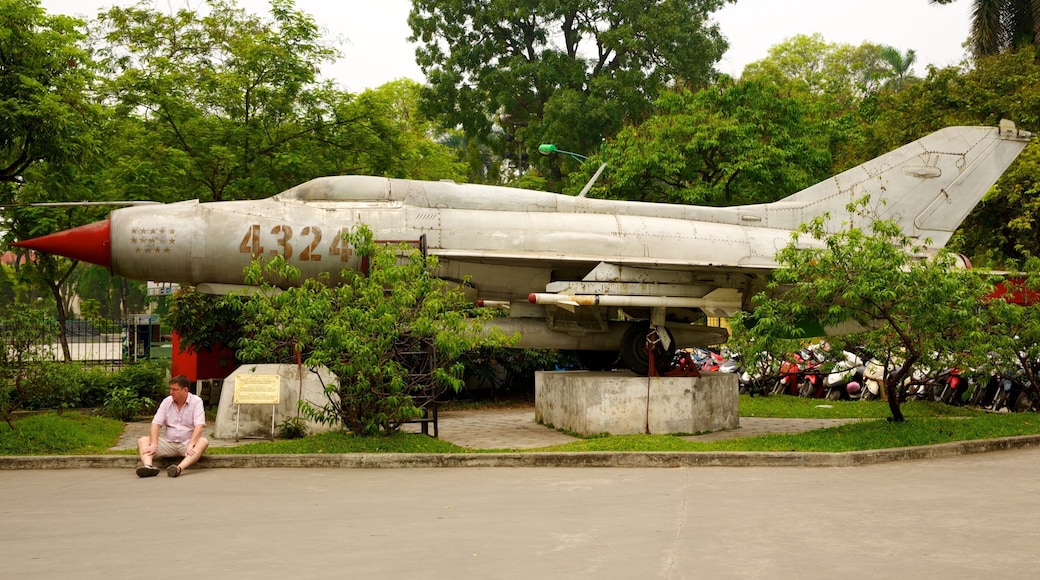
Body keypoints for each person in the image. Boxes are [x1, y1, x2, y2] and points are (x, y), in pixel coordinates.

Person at [136, 375, 209, 478]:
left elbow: (199, 426)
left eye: (175, 390)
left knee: (203, 441)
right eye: (170, 389)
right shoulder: (167, 401)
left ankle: (178, 468)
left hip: (187, 444)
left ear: (185, 390)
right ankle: (148, 467)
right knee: (143, 440)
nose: (171, 392)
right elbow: (155, 424)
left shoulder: (196, 401)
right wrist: (153, 444)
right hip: (169, 443)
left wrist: (191, 444)